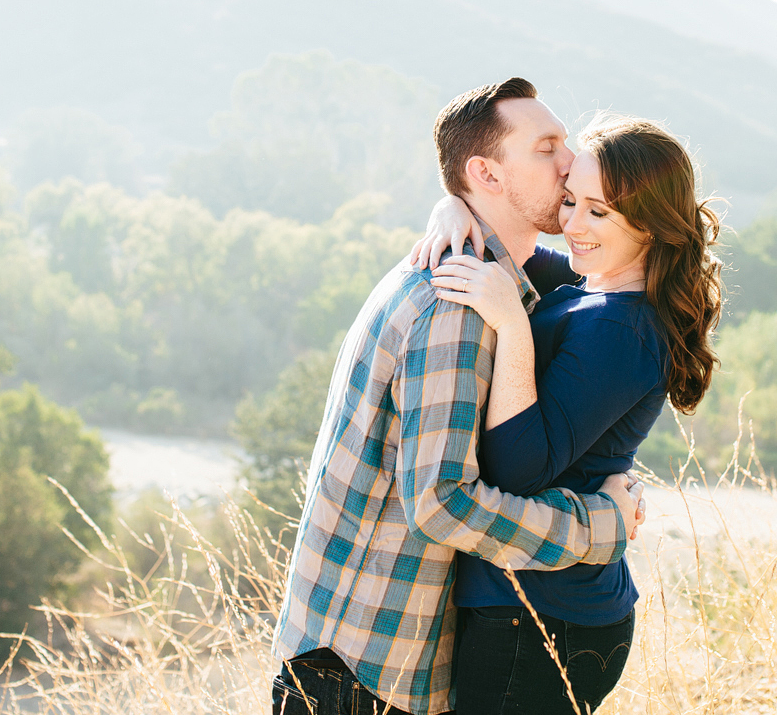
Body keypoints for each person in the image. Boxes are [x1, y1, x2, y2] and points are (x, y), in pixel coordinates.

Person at [271, 78, 647, 715]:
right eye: (547, 148)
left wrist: (451, 203)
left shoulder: (485, 274)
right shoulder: (458, 307)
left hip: (358, 652)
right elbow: (443, 505)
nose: (570, 163)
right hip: (362, 673)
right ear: (487, 175)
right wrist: (597, 526)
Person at [420, 115, 724, 715]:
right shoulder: (595, 289)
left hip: (545, 620)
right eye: (570, 201)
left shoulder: (621, 328)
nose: (572, 226)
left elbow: (517, 470)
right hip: (536, 605)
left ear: (651, 224)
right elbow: (510, 255)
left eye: (598, 212)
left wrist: (511, 325)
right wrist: (452, 208)